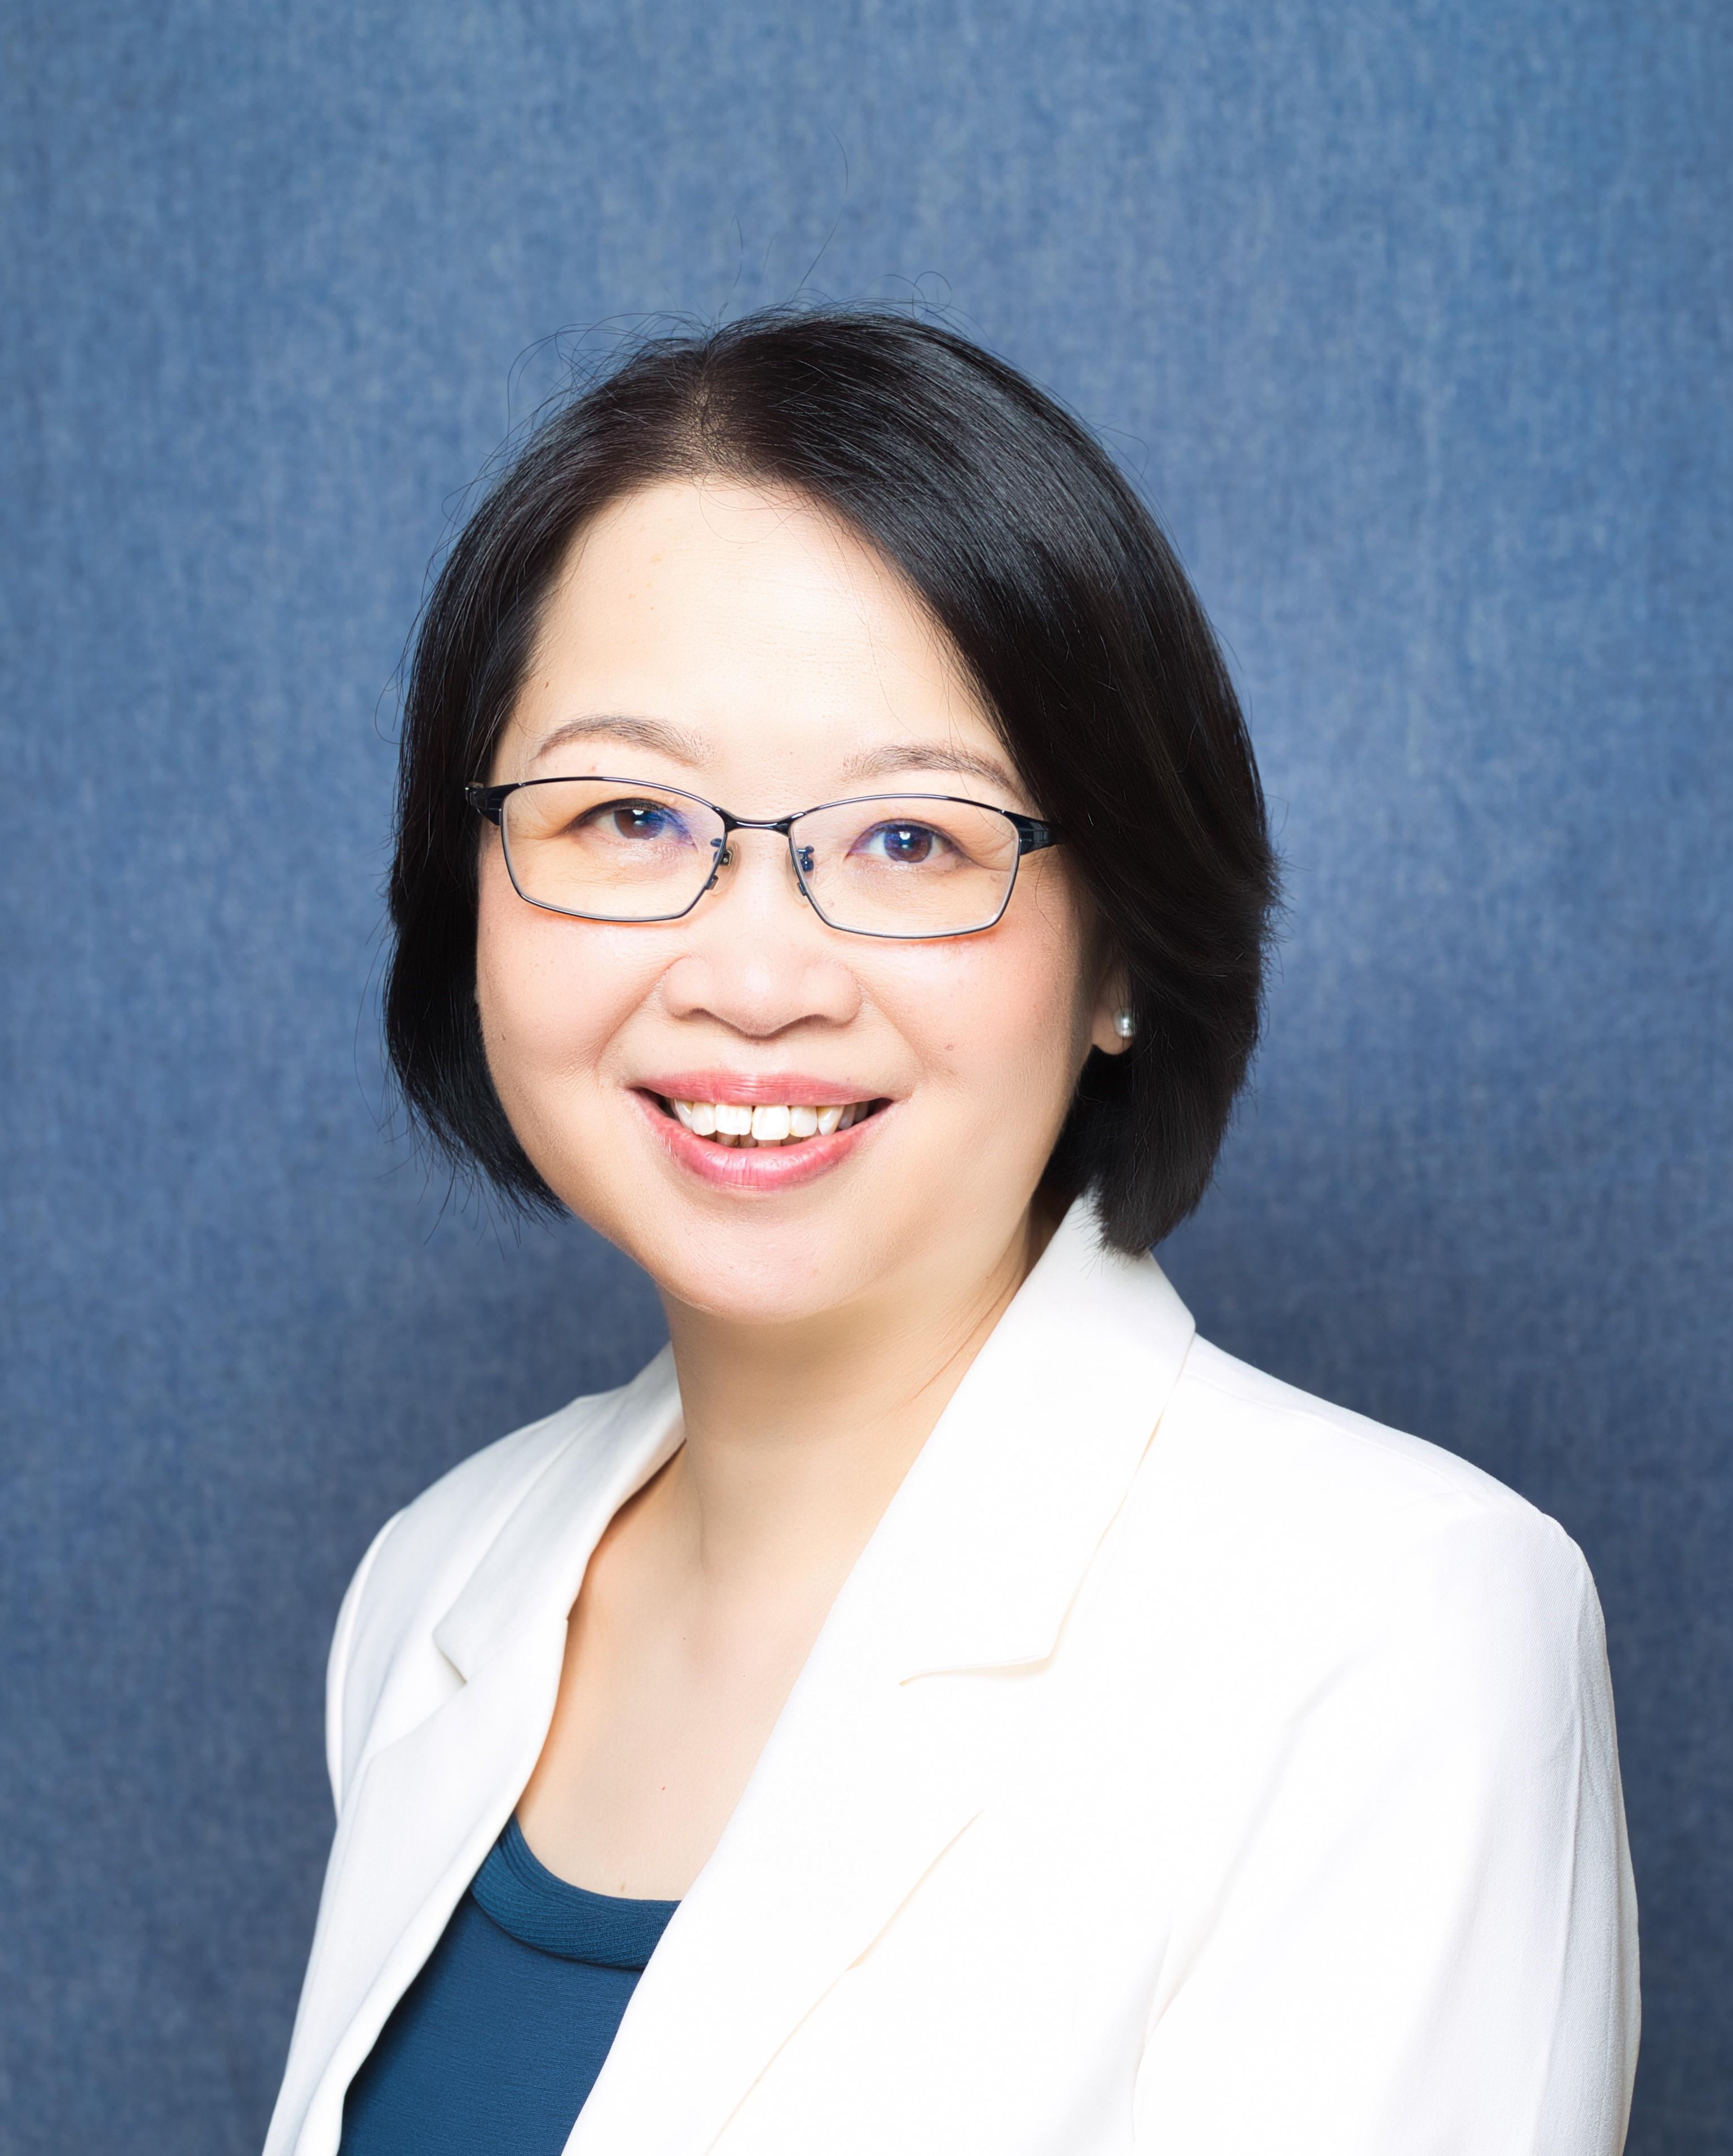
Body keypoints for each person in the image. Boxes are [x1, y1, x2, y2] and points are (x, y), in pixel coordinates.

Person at [265, 310, 1638, 2156]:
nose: (756, 976)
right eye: (628, 814)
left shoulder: (1395, 1631)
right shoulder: (437, 1584)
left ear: (1124, 953)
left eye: (912, 840)